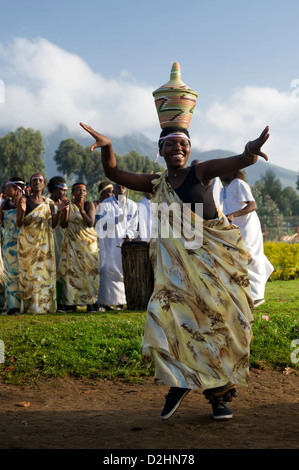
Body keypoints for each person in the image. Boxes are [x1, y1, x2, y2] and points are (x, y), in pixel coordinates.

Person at [79, 60, 270, 422]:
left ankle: (219, 398)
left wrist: (248, 151)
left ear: (188, 147)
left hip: (213, 272)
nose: (178, 148)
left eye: (183, 143)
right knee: (162, 318)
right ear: (161, 150)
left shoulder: (201, 171)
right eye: (171, 145)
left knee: (217, 329)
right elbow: (113, 172)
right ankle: (178, 380)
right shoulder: (156, 185)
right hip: (175, 278)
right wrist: (107, 146)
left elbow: (236, 160)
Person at [221, 170, 274, 307]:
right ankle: (258, 282)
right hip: (237, 226)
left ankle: (257, 296)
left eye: (224, 170)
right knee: (246, 256)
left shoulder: (239, 183)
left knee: (250, 256)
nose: (221, 172)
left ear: (232, 172)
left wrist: (233, 214)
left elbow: (252, 205)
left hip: (248, 225)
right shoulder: (226, 188)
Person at [16, 173, 61, 314]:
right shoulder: (24, 200)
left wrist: (57, 214)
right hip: (28, 245)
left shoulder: (49, 203)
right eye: (34, 180)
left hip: (44, 246)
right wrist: (22, 212)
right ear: (30, 184)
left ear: (43, 184)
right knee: (30, 275)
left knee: (42, 275)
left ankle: (42, 306)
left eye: (40, 180)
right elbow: (19, 223)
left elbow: (53, 225)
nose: (37, 183)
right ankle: (32, 305)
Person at [95, 183, 138, 311]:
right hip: (108, 242)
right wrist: (114, 220)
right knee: (107, 268)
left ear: (126, 189)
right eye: (118, 187)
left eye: (123, 187)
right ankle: (105, 302)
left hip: (123, 243)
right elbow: (101, 222)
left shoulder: (132, 205)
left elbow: (134, 225)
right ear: (114, 188)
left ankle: (121, 302)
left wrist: (129, 235)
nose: (120, 189)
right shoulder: (106, 203)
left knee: (122, 271)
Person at [57, 182, 99, 313]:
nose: (81, 193)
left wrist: (81, 210)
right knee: (72, 273)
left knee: (89, 273)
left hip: (88, 244)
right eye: (78, 191)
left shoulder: (89, 204)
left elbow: (90, 222)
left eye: (84, 191)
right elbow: (63, 225)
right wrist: (65, 210)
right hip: (72, 243)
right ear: (73, 193)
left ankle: (91, 303)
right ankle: (70, 303)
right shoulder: (68, 205)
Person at [0, 177, 26, 315]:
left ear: (16, 188)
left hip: (20, 242)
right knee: (9, 274)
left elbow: (21, 222)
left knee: (18, 273)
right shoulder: (4, 204)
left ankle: (18, 306)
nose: (5, 190)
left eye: (8, 187)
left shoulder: (24, 202)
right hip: (7, 243)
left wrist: (19, 208)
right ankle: (11, 305)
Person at [47, 176, 70, 310]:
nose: (64, 193)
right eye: (62, 190)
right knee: (52, 267)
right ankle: (52, 300)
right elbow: (52, 224)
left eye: (66, 190)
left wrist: (64, 210)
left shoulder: (64, 203)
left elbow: (64, 224)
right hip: (49, 237)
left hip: (62, 238)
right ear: (54, 190)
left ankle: (62, 300)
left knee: (62, 268)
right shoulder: (47, 203)